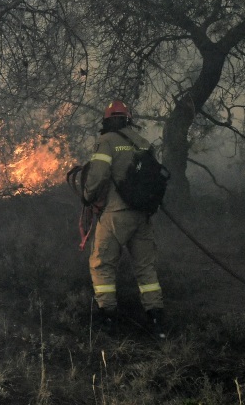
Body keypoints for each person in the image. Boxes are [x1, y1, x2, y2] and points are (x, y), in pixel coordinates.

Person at [83, 99, 166, 338]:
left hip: (116, 214)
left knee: (102, 264)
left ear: (107, 121)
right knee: (146, 269)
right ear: (128, 120)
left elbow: (97, 176)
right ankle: (156, 319)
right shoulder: (143, 143)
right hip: (142, 215)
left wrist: (87, 197)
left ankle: (108, 318)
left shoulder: (106, 141)